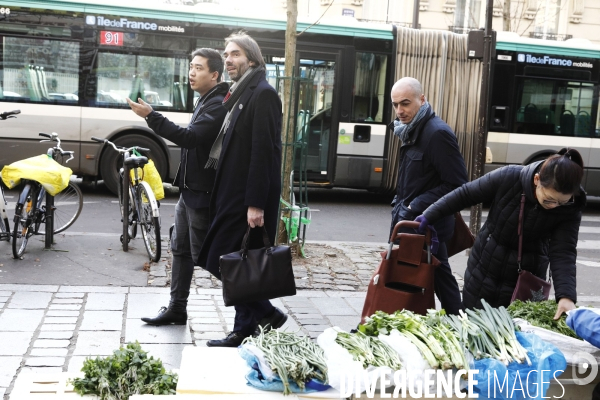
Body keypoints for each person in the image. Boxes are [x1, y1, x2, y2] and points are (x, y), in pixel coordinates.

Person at [416, 148, 586, 317]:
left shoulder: (571, 208)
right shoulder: (509, 177)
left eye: (562, 202)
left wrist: (566, 295)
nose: (555, 206)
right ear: (536, 179)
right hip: (484, 270)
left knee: (515, 334)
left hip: (526, 279)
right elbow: (465, 194)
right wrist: (429, 215)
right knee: (474, 327)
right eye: (549, 199)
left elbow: (563, 252)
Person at [197, 32, 287, 347]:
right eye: (226, 54)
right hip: (232, 193)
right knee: (235, 260)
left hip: (245, 197)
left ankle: (265, 313)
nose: (229, 59)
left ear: (251, 58)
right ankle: (247, 325)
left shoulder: (262, 94)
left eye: (235, 54)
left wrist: (256, 204)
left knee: (221, 258)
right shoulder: (240, 93)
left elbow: (264, 153)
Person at [126, 48, 228, 325]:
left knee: (209, 259)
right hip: (189, 192)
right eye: (191, 67)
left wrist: (151, 116)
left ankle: (256, 305)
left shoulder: (217, 104)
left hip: (202, 195)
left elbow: (190, 138)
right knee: (180, 250)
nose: (192, 73)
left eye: (199, 68)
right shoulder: (204, 100)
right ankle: (177, 308)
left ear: (215, 75)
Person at [389, 77, 468, 315]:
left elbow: (457, 183)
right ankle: (457, 321)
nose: (399, 111)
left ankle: (392, 319)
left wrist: (415, 205)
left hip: (426, 224)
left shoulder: (436, 133)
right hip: (415, 222)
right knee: (438, 277)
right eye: (395, 105)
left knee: (415, 277)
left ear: (422, 100)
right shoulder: (411, 129)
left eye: (405, 103)